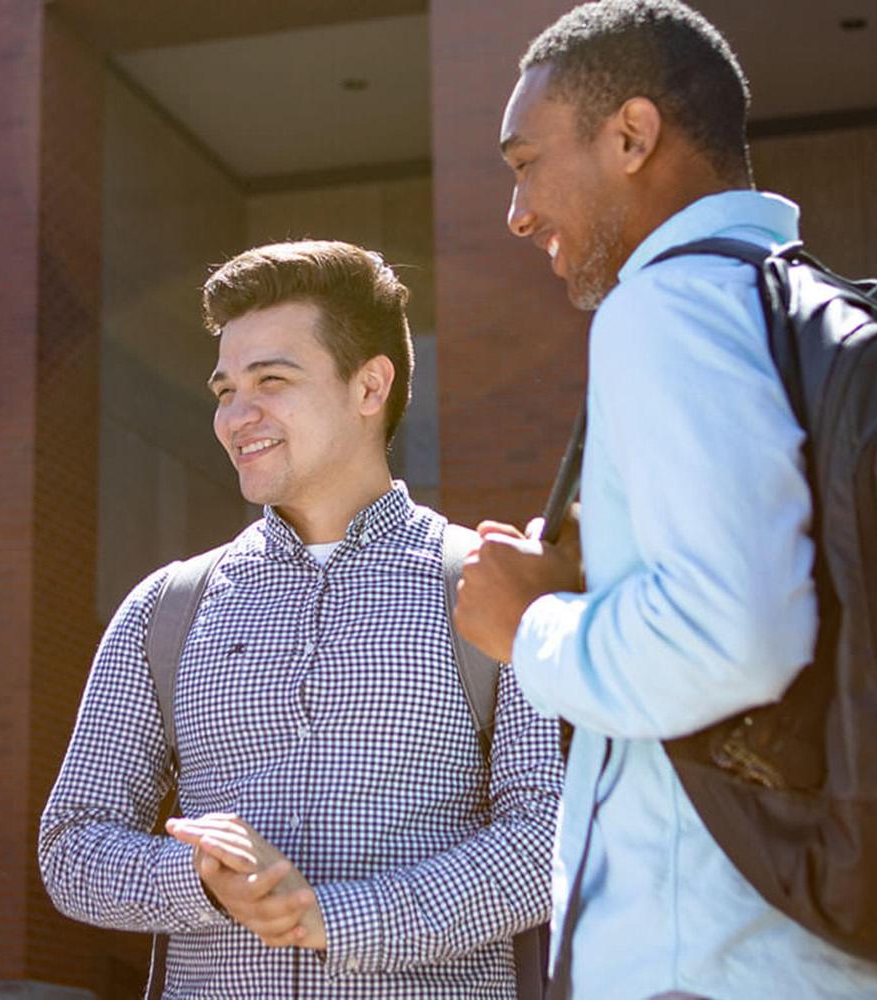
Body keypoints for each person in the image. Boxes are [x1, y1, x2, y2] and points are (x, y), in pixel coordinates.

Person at [451, 2, 877, 997]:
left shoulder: (665, 306)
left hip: (715, 961)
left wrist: (529, 625)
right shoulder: (813, 318)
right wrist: (600, 584)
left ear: (629, 135)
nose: (516, 211)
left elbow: (729, 634)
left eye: (525, 160)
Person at [40, 240, 562, 997]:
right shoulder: (168, 607)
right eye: (225, 390)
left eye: (271, 381)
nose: (236, 417)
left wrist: (331, 919)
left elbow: (545, 838)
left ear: (369, 386)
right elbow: (72, 847)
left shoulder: (491, 586)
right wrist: (197, 878)